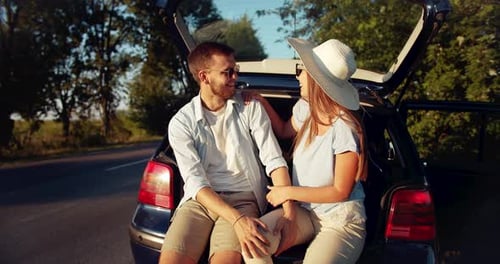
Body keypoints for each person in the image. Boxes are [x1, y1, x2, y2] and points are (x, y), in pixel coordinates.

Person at [158, 41, 297, 264]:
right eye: (227, 72)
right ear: (204, 77)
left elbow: (273, 160)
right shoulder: (181, 123)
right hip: (200, 201)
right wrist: (237, 220)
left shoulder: (250, 107)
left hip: (244, 199)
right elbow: (195, 182)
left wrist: (290, 212)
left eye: (236, 71)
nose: (235, 77)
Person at [243, 38, 368, 264]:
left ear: (317, 80)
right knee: (253, 241)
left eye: (302, 70)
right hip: (307, 213)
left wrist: (287, 192)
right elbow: (282, 130)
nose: (298, 76)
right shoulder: (305, 109)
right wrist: (262, 102)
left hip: (341, 221)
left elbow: (340, 191)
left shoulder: (344, 128)